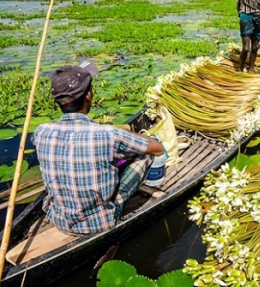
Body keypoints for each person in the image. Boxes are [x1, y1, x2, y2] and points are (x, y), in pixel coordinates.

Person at [32, 61, 165, 235]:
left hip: (59, 221)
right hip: (99, 224)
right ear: (88, 95)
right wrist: (128, 136)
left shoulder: (41, 131)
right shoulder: (108, 134)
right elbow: (158, 148)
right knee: (147, 155)